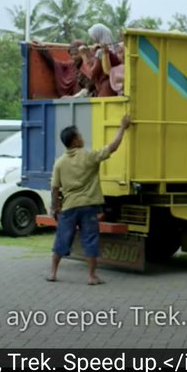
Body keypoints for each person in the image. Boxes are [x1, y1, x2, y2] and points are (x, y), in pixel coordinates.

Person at [47, 114, 132, 285]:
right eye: (80, 135)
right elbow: (112, 147)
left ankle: (53, 273)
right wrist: (122, 127)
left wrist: (54, 208)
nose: (82, 138)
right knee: (90, 240)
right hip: (88, 207)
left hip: (69, 207)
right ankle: (91, 277)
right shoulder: (89, 157)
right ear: (75, 141)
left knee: (62, 239)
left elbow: (55, 189)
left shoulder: (59, 163)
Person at [84, 24, 125, 97]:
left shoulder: (101, 52)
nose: (92, 39)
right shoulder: (116, 49)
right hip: (115, 87)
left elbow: (92, 74)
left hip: (105, 89)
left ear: (97, 35)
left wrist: (83, 55)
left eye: (92, 36)